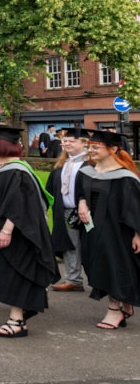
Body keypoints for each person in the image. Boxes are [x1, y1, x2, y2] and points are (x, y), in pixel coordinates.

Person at [0, 125, 59, 338]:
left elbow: (20, 206)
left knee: (16, 273)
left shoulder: (17, 172)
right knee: (6, 272)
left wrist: (7, 230)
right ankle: (16, 318)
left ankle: (17, 320)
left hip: (17, 234)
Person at [76, 129, 140, 331]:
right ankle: (125, 303)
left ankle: (115, 309)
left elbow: (136, 208)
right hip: (92, 229)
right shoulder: (86, 172)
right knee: (95, 264)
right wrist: (81, 203)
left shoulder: (125, 178)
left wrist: (138, 233)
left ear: (113, 149)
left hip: (117, 231)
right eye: (90, 146)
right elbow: (81, 193)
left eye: (96, 147)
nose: (91, 150)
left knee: (113, 266)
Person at [48, 126, 90, 293]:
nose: (66, 144)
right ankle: (74, 280)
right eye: (64, 141)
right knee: (71, 245)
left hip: (90, 213)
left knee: (93, 245)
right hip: (67, 212)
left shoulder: (91, 163)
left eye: (71, 141)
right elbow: (50, 189)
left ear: (84, 143)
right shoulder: (62, 164)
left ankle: (101, 280)